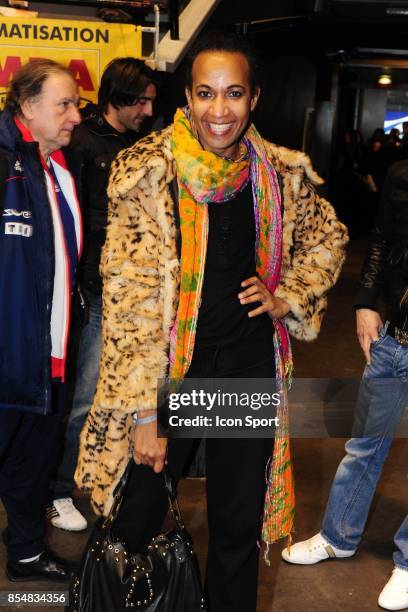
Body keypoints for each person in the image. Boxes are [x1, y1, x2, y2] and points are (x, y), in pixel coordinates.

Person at [76, 32, 348, 611]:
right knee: (135, 521)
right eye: (205, 93)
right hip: (170, 377)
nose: (218, 110)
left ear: (254, 99)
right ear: (187, 97)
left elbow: (329, 238)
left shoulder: (277, 173)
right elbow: (131, 302)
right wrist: (148, 412)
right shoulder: (147, 173)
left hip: (244, 372)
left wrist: (286, 295)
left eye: (233, 94)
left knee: (234, 530)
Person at [282, 160, 408, 611]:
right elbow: (383, 239)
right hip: (395, 337)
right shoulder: (401, 173)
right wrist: (364, 302)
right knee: (364, 445)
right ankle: (338, 537)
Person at [47, 57, 156, 532]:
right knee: (82, 399)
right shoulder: (83, 142)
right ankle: (56, 490)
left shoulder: (143, 145)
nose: (149, 110)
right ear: (119, 97)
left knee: (128, 398)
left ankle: (106, 481)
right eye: (142, 101)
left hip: (136, 296)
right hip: (94, 293)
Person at [0, 60, 82, 581]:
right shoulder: (5, 161)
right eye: (65, 104)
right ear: (28, 107)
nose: (76, 116)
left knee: (32, 465)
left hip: (49, 353)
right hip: (7, 354)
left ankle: (27, 554)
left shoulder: (58, 168)